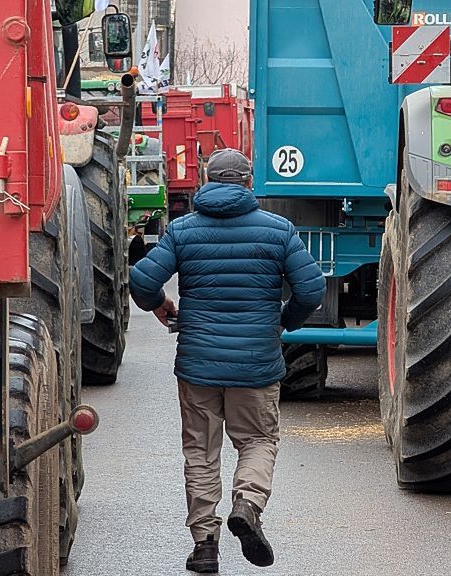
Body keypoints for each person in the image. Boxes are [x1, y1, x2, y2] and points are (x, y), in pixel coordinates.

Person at [129, 148, 326, 573]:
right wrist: (281, 322)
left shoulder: (183, 231)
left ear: (207, 179)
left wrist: (162, 304)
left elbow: (141, 279)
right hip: (256, 365)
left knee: (200, 452)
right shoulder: (278, 231)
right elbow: (311, 290)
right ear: (247, 181)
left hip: (198, 364)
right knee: (257, 441)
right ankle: (248, 504)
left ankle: (204, 546)